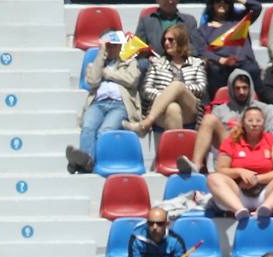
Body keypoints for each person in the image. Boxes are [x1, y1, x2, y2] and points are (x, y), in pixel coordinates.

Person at [68, 30, 141, 176]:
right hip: (98, 103)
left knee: (105, 130)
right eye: (108, 45)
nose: (111, 48)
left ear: (121, 46)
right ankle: (87, 163)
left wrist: (109, 74)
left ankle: (87, 163)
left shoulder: (130, 62)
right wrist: (101, 55)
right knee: (88, 127)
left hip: (120, 104)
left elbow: (131, 80)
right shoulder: (95, 64)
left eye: (115, 45)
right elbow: (92, 81)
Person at [207, 107, 273, 220]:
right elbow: (221, 169)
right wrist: (239, 172)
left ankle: (264, 210)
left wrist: (256, 179)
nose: (254, 124)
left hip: (266, 193)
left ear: (264, 123)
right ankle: (239, 211)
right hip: (238, 192)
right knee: (213, 178)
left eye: (258, 121)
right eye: (250, 121)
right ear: (243, 123)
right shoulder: (231, 141)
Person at [181, 68, 272, 178]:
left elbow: (270, 136)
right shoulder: (219, 110)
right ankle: (196, 166)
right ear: (231, 90)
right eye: (237, 88)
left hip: (255, 148)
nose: (241, 92)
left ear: (251, 88)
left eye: (244, 88)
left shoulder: (264, 109)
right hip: (230, 147)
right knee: (209, 119)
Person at [128, 24, 207, 135]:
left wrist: (178, 92)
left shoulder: (197, 63)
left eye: (170, 40)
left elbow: (201, 88)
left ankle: (146, 123)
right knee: (173, 108)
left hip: (189, 110)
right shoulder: (157, 63)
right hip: (161, 112)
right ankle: (178, 152)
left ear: (181, 41)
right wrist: (167, 97)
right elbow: (146, 90)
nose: (166, 43)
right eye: (164, 40)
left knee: (177, 86)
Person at [198, 0, 264, 99]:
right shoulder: (204, 29)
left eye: (226, 2)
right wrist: (221, 60)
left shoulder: (240, 20)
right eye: (218, 1)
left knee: (252, 69)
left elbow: (257, 7)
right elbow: (202, 50)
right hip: (220, 66)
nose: (222, 4)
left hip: (244, 63)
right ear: (212, 4)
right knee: (213, 70)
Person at [137, 0, 207, 59]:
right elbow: (137, 47)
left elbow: (198, 48)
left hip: (182, 64)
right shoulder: (146, 21)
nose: (170, 1)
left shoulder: (189, 21)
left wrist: (180, 50)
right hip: (154, 64)